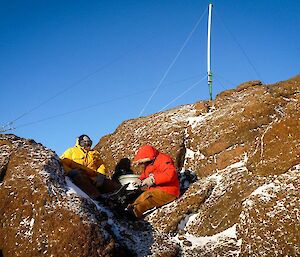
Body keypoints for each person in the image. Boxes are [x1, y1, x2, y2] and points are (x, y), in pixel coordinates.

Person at [60, 134, 120, 199]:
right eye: (84, 142)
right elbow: (62, 162)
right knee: (79, 174)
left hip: (94, 178)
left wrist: (101, 175)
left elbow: (101, 165)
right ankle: (98, 198)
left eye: (89, 142)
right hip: (79, 177)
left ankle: (122, 194)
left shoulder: (94, 153)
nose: (87, 144)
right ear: (79, 142)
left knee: (110, 184)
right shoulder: (71, 151)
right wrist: (70, 172)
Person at [128, 145, 180, 219]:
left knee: (148, 201)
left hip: (169, 191)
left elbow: (170, 174)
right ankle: (132, 208)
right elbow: (146, 174)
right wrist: (140, 179)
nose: (142, 164)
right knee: (144, 195)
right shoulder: (150, 163)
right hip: (155, 189)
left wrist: (153, 179)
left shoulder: (164, 160)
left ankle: (134, 213)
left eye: (143, 161)